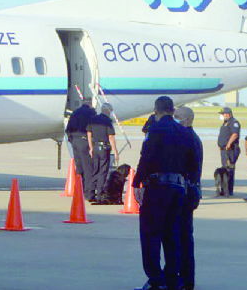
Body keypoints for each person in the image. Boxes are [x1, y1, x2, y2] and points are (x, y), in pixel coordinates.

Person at [132, 96, 198, 290]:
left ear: (157, 111)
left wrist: (137, 182)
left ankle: (155, 279)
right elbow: (193, 163)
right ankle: (172, 280)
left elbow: (147, 157)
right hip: (178, 188)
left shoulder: (155, 129)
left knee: (150, 235)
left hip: (157, 187)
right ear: (171, 110)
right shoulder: (184, 132)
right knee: (172, 236)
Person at [174, 106, 203, 290]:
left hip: (186, 192)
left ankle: (185, 280)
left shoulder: (187, 139)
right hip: (190, 191)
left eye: (177, 117)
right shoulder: (192, 138)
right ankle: (185, 278)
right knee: (183, 237)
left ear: (185, 120)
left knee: (183, 238)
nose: (174, 119)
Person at [64, 98, 97, 201]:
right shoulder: (91, 112)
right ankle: (89, 193)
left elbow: (68, 128)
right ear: (90, 104)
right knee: (88, 168)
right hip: (84, 139)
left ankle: (79, 190)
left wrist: (71, 140)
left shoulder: (75, 112)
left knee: (79, 167)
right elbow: (93, 128)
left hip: (75, 140)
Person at [86, 102, 119, 204]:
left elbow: (89, 133)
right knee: (103, 171)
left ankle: (90, 194)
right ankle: (100, 194)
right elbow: (111, 137)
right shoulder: (107, 121)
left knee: (95, 170)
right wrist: (116, 152)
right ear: (108, 111)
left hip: (95, 147)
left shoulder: (93, 119)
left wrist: (91, 147)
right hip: (104, 148)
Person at [216, 107, 241, 196]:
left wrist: (228, 144)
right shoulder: (225, 123)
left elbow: (235, 134)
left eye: (223, 114)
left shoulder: (233, 123)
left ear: (228, 114)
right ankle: (224, 189)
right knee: (225, 169)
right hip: (224, 150)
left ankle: (228, 190)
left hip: (230, 150)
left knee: (229, 169)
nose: (222, 116)